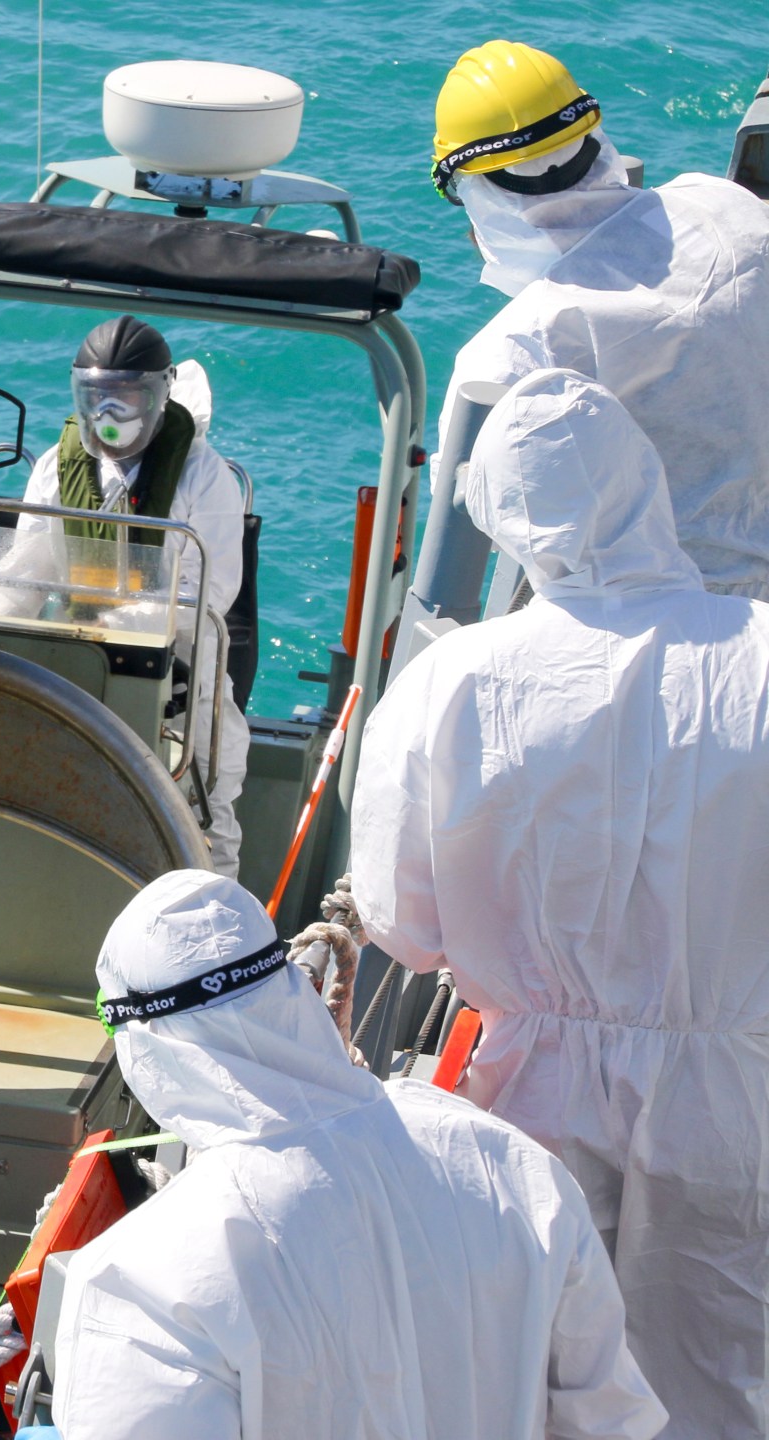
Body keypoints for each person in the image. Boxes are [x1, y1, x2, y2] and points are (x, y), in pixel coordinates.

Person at [350, 367, 769, 1437]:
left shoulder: (455, 680)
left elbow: (402, 924)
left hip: (528, 1091)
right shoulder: (761, 658)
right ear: (646, 486)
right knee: (724, 1375)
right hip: (739, 1096)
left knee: (525, 1374)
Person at [53, 869, 665, 1440]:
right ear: (294, 986)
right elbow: (612, 1419)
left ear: (144, 1042)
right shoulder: (505, 1160)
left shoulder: (141, 1276)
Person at [434, 40, 769, 599]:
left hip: (670, 631)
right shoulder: (726, 208)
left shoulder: (516, 347)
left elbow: (491, 523)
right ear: (593, 137)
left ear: (476, 192)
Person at [2, 316, 250, 876]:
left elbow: (206, 597)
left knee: (205, 811)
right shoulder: (55, 468)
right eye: (97, 397)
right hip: (78, 665)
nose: (108, 415)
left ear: (159, 396)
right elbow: (28, 569)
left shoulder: (203, 478)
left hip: (180, 675)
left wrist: (118, 622)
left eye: (126, 397)